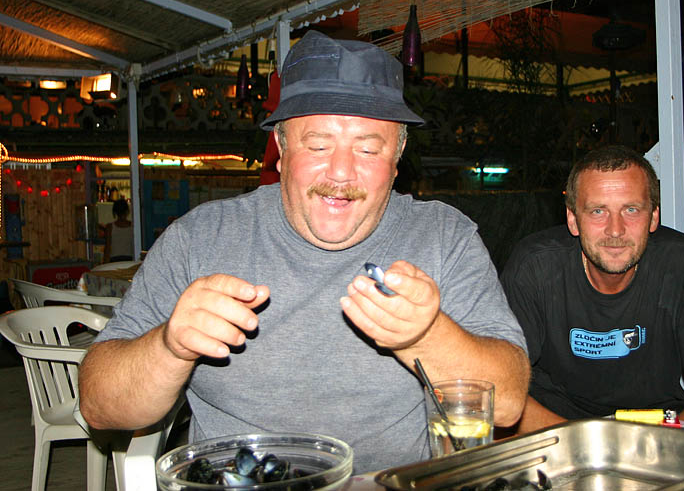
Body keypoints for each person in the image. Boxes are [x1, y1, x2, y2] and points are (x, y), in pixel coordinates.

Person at [78, 30, 530, 473]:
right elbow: (99, 406)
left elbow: (508, 404)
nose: (341, 171)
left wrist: (424, 335)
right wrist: (170, 346)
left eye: (368, 149)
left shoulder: (445, 237)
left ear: (397, 158)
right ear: (281, 147)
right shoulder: (198, 239)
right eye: (318, 145)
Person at [500, 145, 684, 433]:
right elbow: (500, 388)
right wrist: (589, 445)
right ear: (573, 219)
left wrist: (651, 447)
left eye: (631, 210)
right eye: (598, 211)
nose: (615, 230)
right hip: (556, 433)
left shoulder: (683, 263)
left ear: (653, 216)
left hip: (660, 433)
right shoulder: (534, 267)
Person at [103, 198, 134, 262]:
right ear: (127, 211)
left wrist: (105, 263)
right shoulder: (133, 227)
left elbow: (107, 249)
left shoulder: (110, 227)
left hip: (114, 261)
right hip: (129, 260)